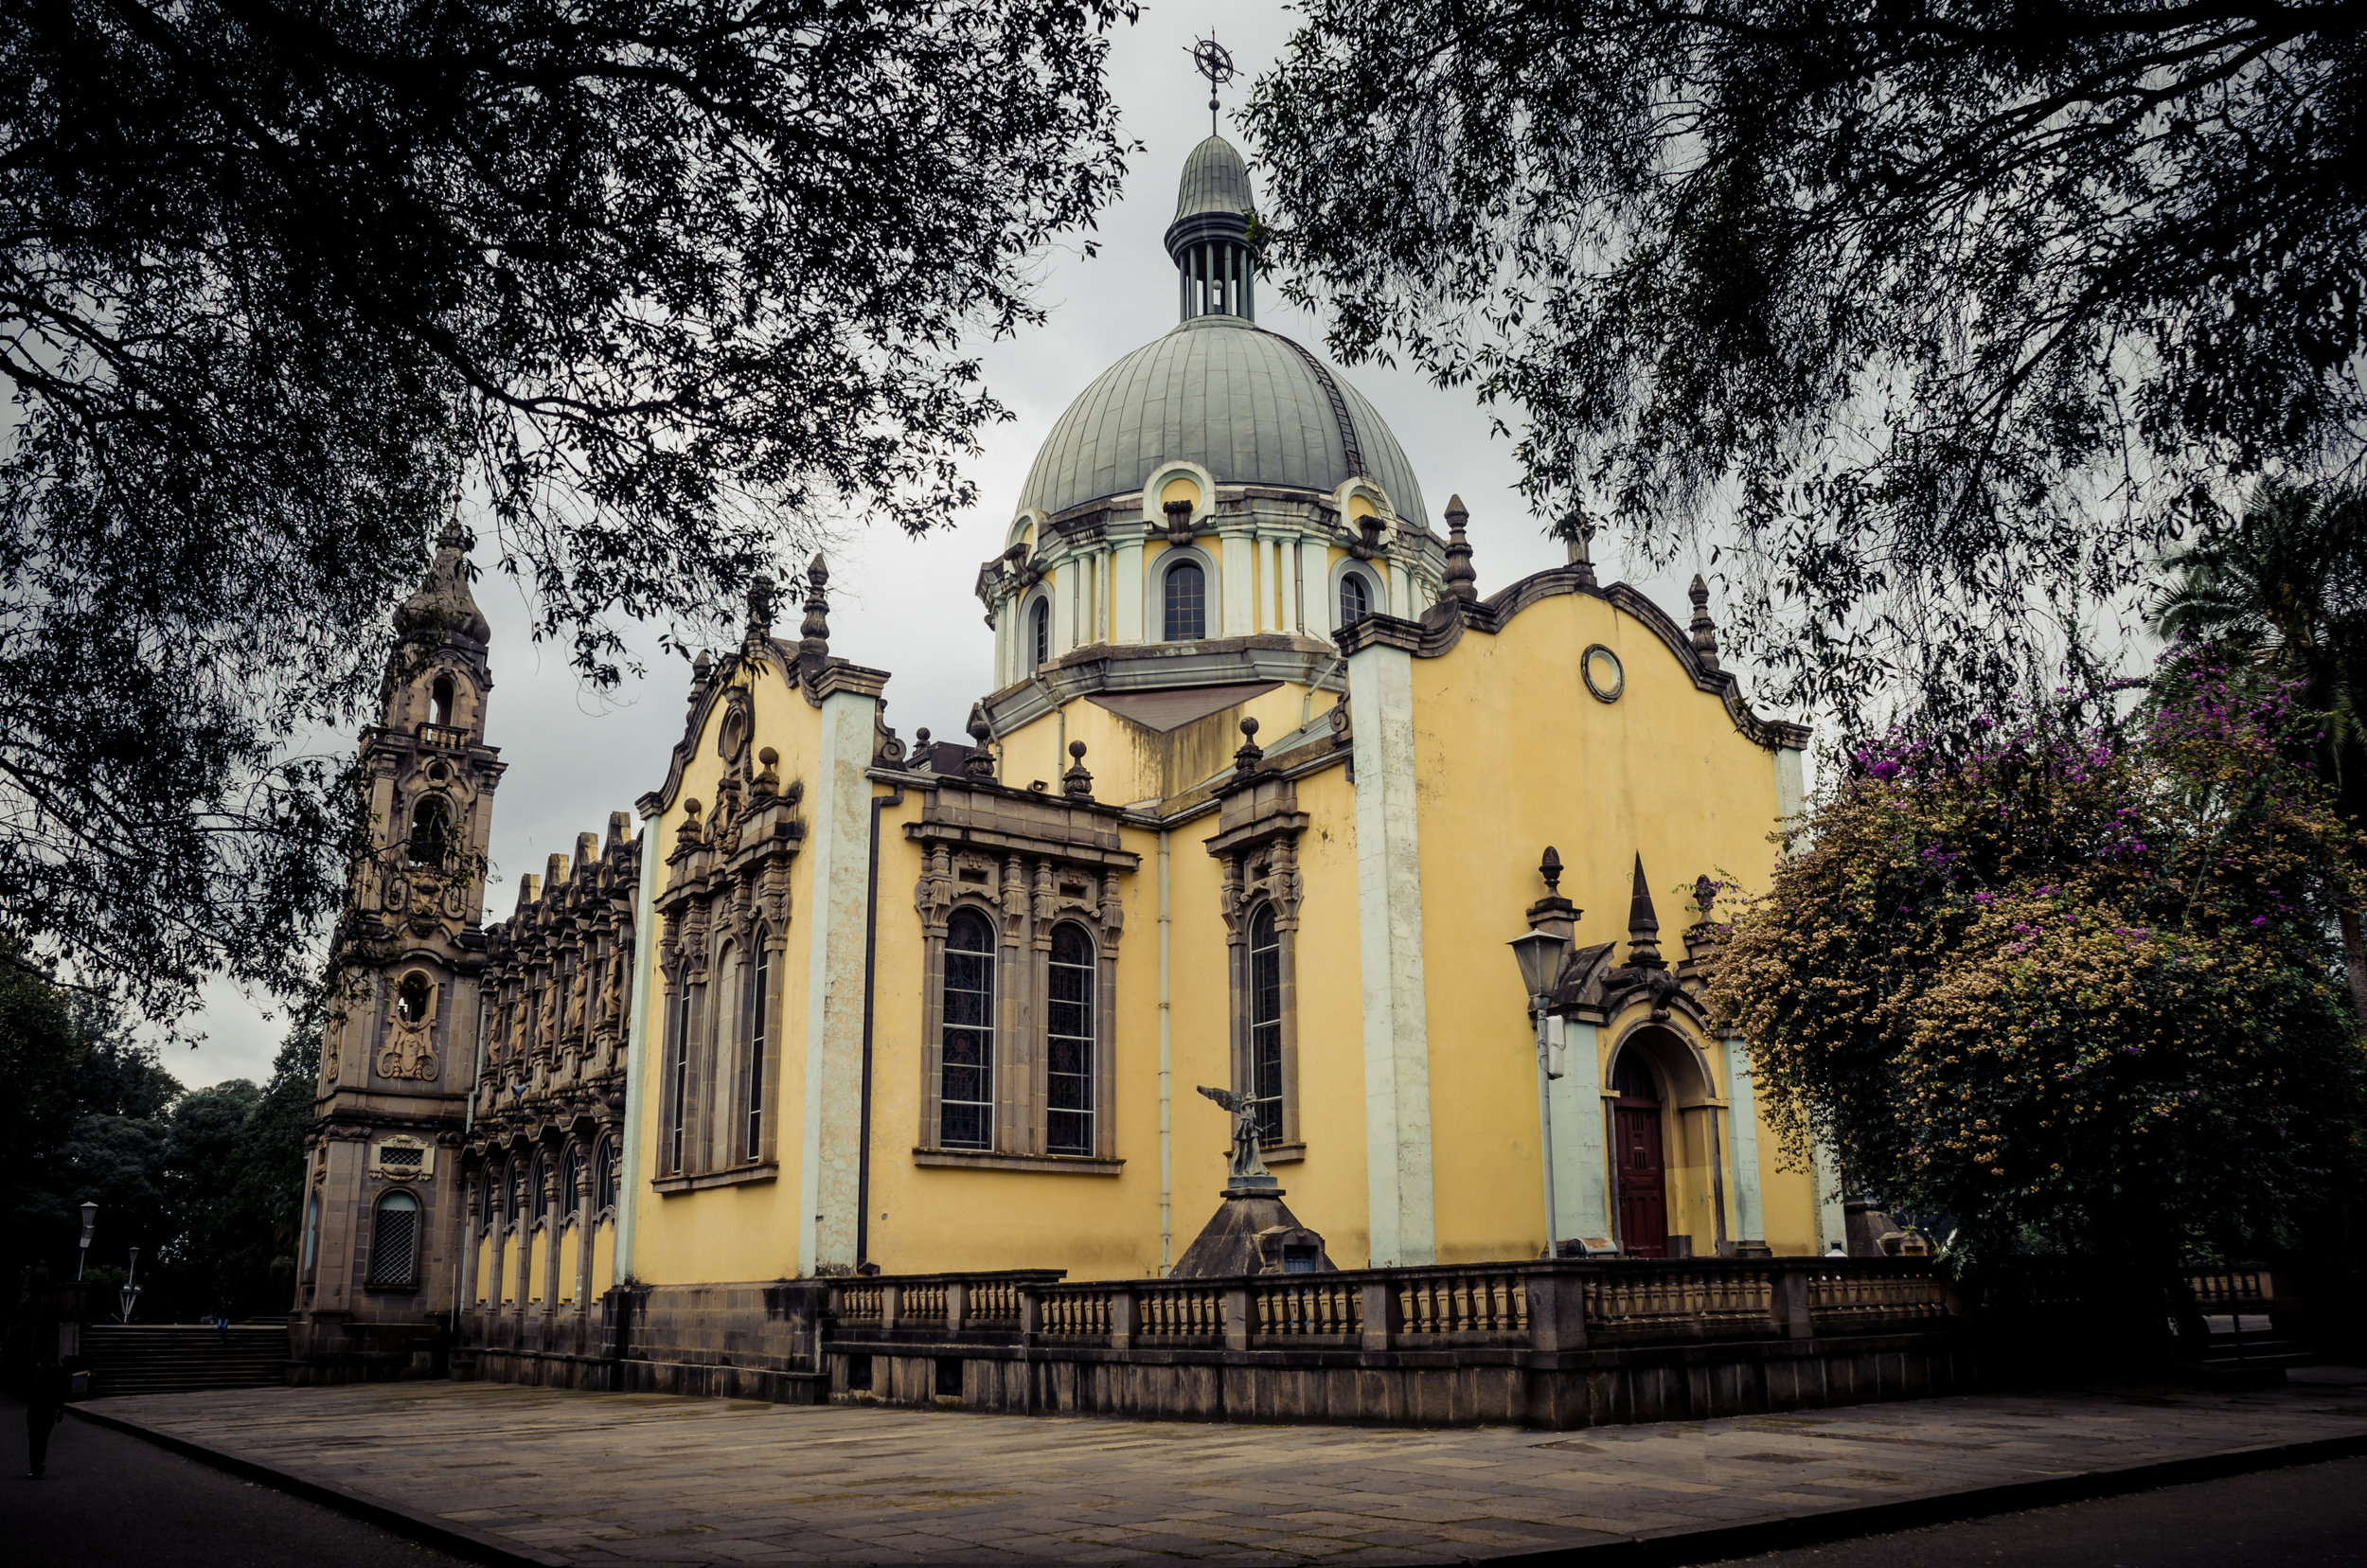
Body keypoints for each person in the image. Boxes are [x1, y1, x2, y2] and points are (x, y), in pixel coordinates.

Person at [25, 1345, 68, 1479]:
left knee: (40, 1437)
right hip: (37, 1408)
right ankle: (36, 1464)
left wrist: (60, 1409)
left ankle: (36, 1464)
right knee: (35, 1437)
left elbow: (59, 1391)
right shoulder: (35, 1371)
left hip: (46, 1409)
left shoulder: (53, 1371)